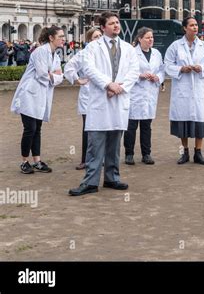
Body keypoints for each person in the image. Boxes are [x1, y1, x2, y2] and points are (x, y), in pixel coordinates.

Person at [69, 12, 140, 196]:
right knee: (95, 145)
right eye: (111, 23)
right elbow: (89, 69)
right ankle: (90, 182)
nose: (116, 25)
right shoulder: (92, 47)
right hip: (101, 99)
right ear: (103, 27)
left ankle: (112, 178)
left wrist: (119, 88)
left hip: (118, 99)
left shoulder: (128, 48)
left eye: (117, 22)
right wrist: (108, 84)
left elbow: (134, 71)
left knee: (115, 145)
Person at [10, 26, 65, 174]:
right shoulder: (41, 51)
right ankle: (24, 161)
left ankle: (37, 161)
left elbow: (60, 77)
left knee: (38, 129)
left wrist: (53, 75)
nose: (63, 38)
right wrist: (54, 75)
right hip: (28, 95)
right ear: (51, 38)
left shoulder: (56, 55)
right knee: (30, 129)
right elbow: (42, 74)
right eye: (60, 36)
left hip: (42, 95)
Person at [164, 17, 204, 165]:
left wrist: (202, 68)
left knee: (199, 121)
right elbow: (167, 64)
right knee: (183, 122)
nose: (195, 28)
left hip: (198, 88)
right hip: (182, 88)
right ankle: (185, 152)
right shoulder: (175, 46)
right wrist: (180, 69)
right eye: (192, 25)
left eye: (196, 25)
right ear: (185, 28)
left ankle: (198, 153)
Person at [124, 27, 165, 166]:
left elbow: (161, 70)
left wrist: (157, 77)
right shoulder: (132, 53)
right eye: (147, 37)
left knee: (147, 126)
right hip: (135, 93)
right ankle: (129, 154)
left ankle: (146, 154)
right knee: (131, 126)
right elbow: (126, 71)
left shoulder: (157, 54)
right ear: (140, 39)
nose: (150, 40)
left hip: (150, 93)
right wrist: (139, 76)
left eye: (152, 37)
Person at [64, 27, 103, 170]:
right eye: (95, 37)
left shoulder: (107, 54)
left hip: (104, 96)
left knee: (102, 129)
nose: (98, 39)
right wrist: (77, 80)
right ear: (89, 40)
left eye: (100, 36)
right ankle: (85, 160)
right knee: (88, 129)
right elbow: (68, 67)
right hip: (88, 96)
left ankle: (100, 158)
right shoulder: (83, 54)